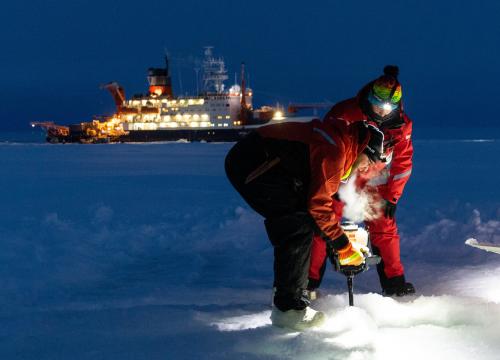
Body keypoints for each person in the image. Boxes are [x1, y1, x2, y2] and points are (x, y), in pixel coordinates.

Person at [224, 117, 385, 331]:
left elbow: (317, 206)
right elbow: (318, 206)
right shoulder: (334, 151)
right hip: (252, 162)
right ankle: (289, 310)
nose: (365, 168)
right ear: (362, 148)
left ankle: (287, 295)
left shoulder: (339, 141)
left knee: (300, 220)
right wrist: (344, 247)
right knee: (296, 226)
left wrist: (336, 238)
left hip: (259, 162)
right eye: (368, 161)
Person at [307, 65, 415, 297]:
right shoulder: (344, 113)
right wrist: (328, 182)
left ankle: (394, 283)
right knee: (321, 225)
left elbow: (403, 164)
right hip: (341, 176)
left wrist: (393, 197)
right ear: (369, 98)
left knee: (385, 228)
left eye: (389, 108)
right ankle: (308, 283)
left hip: (374, 181)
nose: (383, 112)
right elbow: (327, 148)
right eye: (377, 105)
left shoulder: (403, 125)